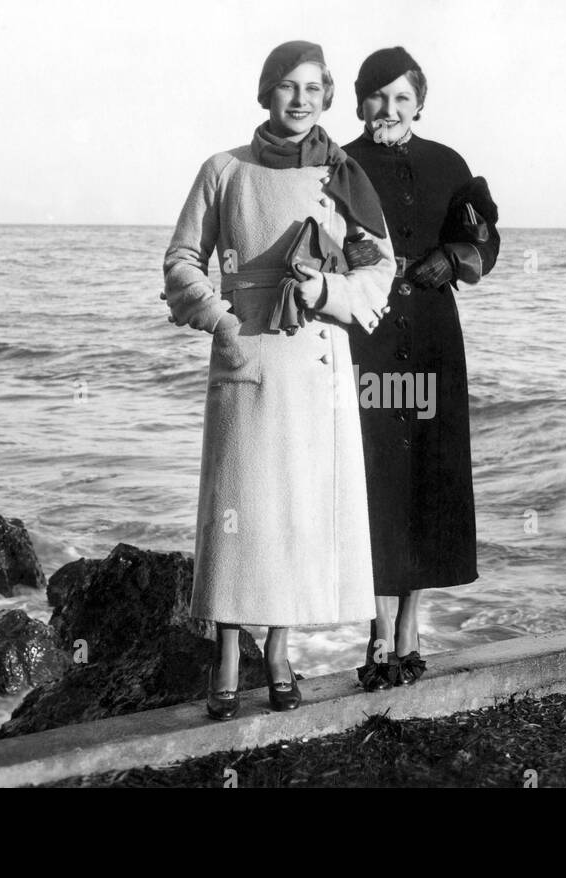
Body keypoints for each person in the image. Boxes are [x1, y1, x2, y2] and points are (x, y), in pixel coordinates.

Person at [162, 40, 396, 719]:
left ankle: (280, 652)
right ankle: (228, 656)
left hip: (315, 361)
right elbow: (180, 262)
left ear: (326, 98)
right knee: (239, 514)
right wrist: (218, 317)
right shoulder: (223, 170)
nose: (299, 100)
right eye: (286, 87)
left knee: (296, 509)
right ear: (265, 93)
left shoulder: (341, 174)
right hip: (246, 353)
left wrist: (324, 289)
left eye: (312, 89)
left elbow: (379, 270)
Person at [344, 47, 500, 689]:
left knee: (427, 479)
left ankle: (412, 632)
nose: (389, 109)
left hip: (434, 340)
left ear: (419, 104)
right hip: (367, 339)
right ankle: (379, 638)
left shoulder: (449, 164)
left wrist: (453, 256)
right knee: (375, 479)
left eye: (402, 98)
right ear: (359, 102)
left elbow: (485, 233)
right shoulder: (339, 164)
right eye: (378, 97)